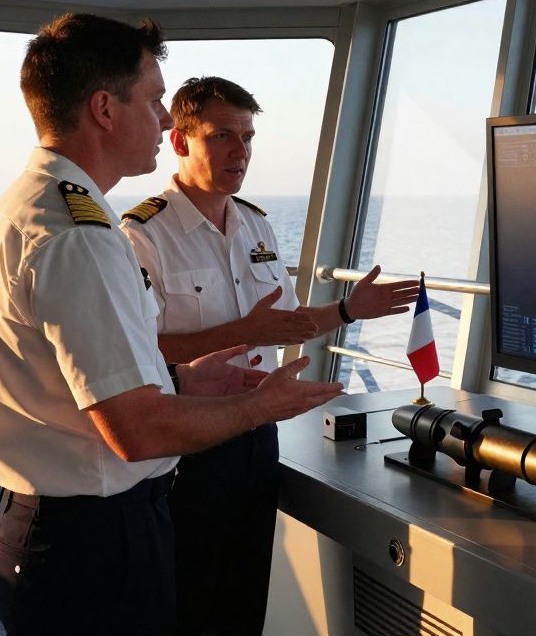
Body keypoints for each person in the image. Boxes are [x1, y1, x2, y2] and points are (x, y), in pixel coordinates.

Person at [0, 15, 343, 635]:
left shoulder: (40, 207)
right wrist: (261, 406)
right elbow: (134, 431)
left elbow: (78, 380)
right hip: (92, 538)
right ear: (105, 109)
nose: (165, 120)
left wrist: (182, 381)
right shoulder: (78, 236)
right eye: (154, 98)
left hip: (59, 522)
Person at [121, 76, 419, 635]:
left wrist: (350, 309)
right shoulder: (144, 235)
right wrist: (241, 329)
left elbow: (287, 324)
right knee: (186, 602)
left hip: (258, 432)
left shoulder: (255, 224)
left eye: (249, 137)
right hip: (188, 442)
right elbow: (138, 351)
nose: (241, 152)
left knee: (243, 596)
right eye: (222, 136)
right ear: (181, 142)